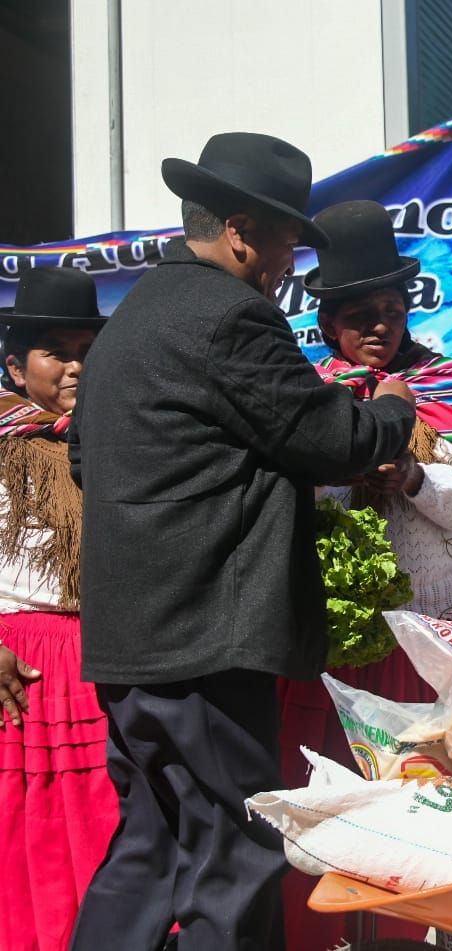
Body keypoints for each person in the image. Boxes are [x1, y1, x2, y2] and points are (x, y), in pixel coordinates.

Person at [67, 133, 416, 951]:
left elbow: (85, 458)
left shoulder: (132, 317)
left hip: (131, 640)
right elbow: (330, 437)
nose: (291, 262)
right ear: (239, 231)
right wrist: (394, 408)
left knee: (152, 846)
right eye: (288, 239)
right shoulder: (232, 316)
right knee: (235, 848)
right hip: (206, 640)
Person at [278, 198, 452, 949]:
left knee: (421, 807)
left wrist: (410, 477)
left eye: (391, 310)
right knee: (334, 805)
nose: (380, 326)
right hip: (335, 644)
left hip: (427, 641)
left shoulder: (447, 387)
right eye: (361, 315)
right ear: (328, 323)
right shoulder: (300, 395)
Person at [0, 267, 115, 951]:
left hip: (100, 659)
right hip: (21, 671)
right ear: (16, 366)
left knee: (104, 822)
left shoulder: (113, 440)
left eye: (86, 350)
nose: (75, 366)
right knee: (28, 829)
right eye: (56, 352)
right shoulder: (3, 444)